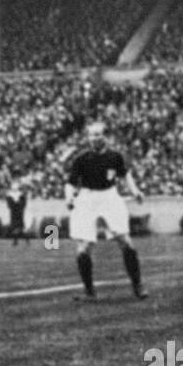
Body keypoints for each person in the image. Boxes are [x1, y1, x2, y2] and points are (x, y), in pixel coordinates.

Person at [65, 121, 147, 301]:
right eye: (91, 135)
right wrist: (69, 198)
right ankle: (89, 291)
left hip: (110, 197)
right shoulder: (81, 158)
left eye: (97, 134)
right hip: (87, 198)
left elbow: (125, 175)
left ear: (106, 136)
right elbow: (70, 183)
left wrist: (135, 192)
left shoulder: (115, 157)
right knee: (84, 247)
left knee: (125, 240)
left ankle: (138, 285)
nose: (94, 138)